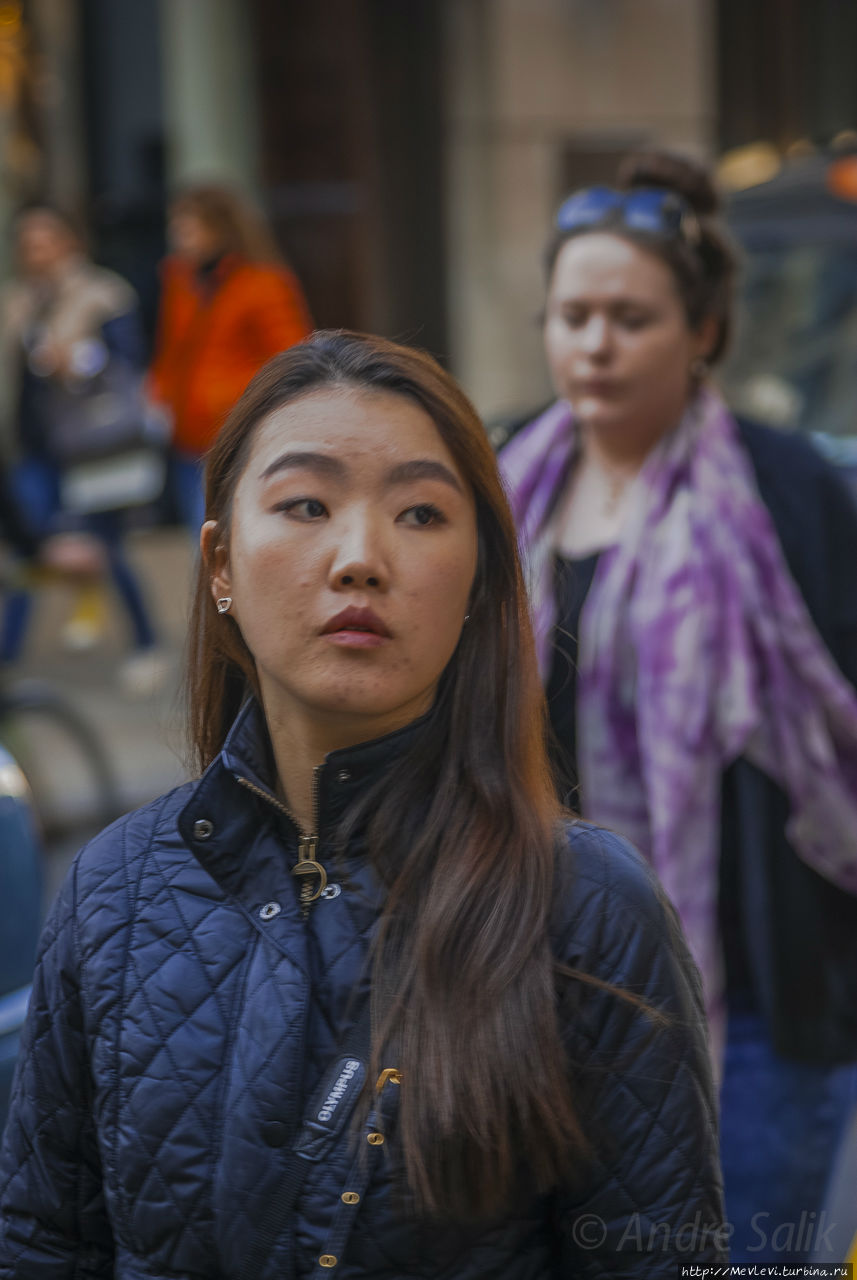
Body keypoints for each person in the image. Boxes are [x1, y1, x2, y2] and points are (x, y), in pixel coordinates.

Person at [0, 332, 725, 1277]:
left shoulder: (584, 905)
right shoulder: (114, 889)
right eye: (305, 505)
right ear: (219, 564)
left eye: (420, 514)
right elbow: (43, 1243)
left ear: (476, 582)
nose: (359, 558)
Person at [499, 151, 857, 1263]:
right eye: (572, 315)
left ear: (701, 331)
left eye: (629, 316)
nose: (594, 344)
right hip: (536, 987)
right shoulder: (493, 485)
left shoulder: (789, 489)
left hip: (749, 1001)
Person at [0, 204, 167, 694]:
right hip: (34, 448)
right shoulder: (14, 303)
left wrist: (75, 360)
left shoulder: (103, 293)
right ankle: (7, 658)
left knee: (105, 548)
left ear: (69, 242)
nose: (36, 253)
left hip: (93, 446)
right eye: (27, 244)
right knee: (28, 546)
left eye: (45, 241)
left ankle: (145, 644)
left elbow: (127, 361)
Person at [147, 181, 313, 534]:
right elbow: (172, 349)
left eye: (188, 227)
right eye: (176, 226)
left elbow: (292, 361)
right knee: (204, 540)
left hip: (234, 430)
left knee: (214, 538)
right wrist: (157, 392)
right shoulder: (180, 282)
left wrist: (231, 400)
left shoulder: (263, 283)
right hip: (184, 435)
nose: (178, 236)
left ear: (220, 228)